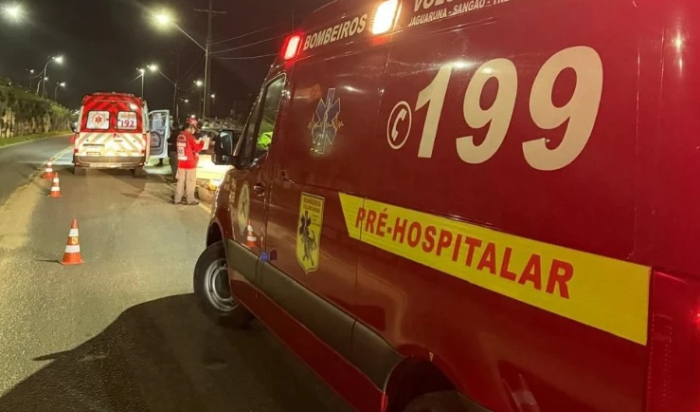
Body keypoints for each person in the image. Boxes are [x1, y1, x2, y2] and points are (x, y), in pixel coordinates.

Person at [174, 118, 204, 205]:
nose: (194, 130)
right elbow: (196, 148)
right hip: (190, 164)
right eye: (194, 128)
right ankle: (190, 200)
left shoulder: (180, 136)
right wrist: (202, 142)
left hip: (181, 163)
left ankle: (177, 199)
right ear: (191, 127)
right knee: (190, 182)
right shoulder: (190, 137)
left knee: (180, 182)